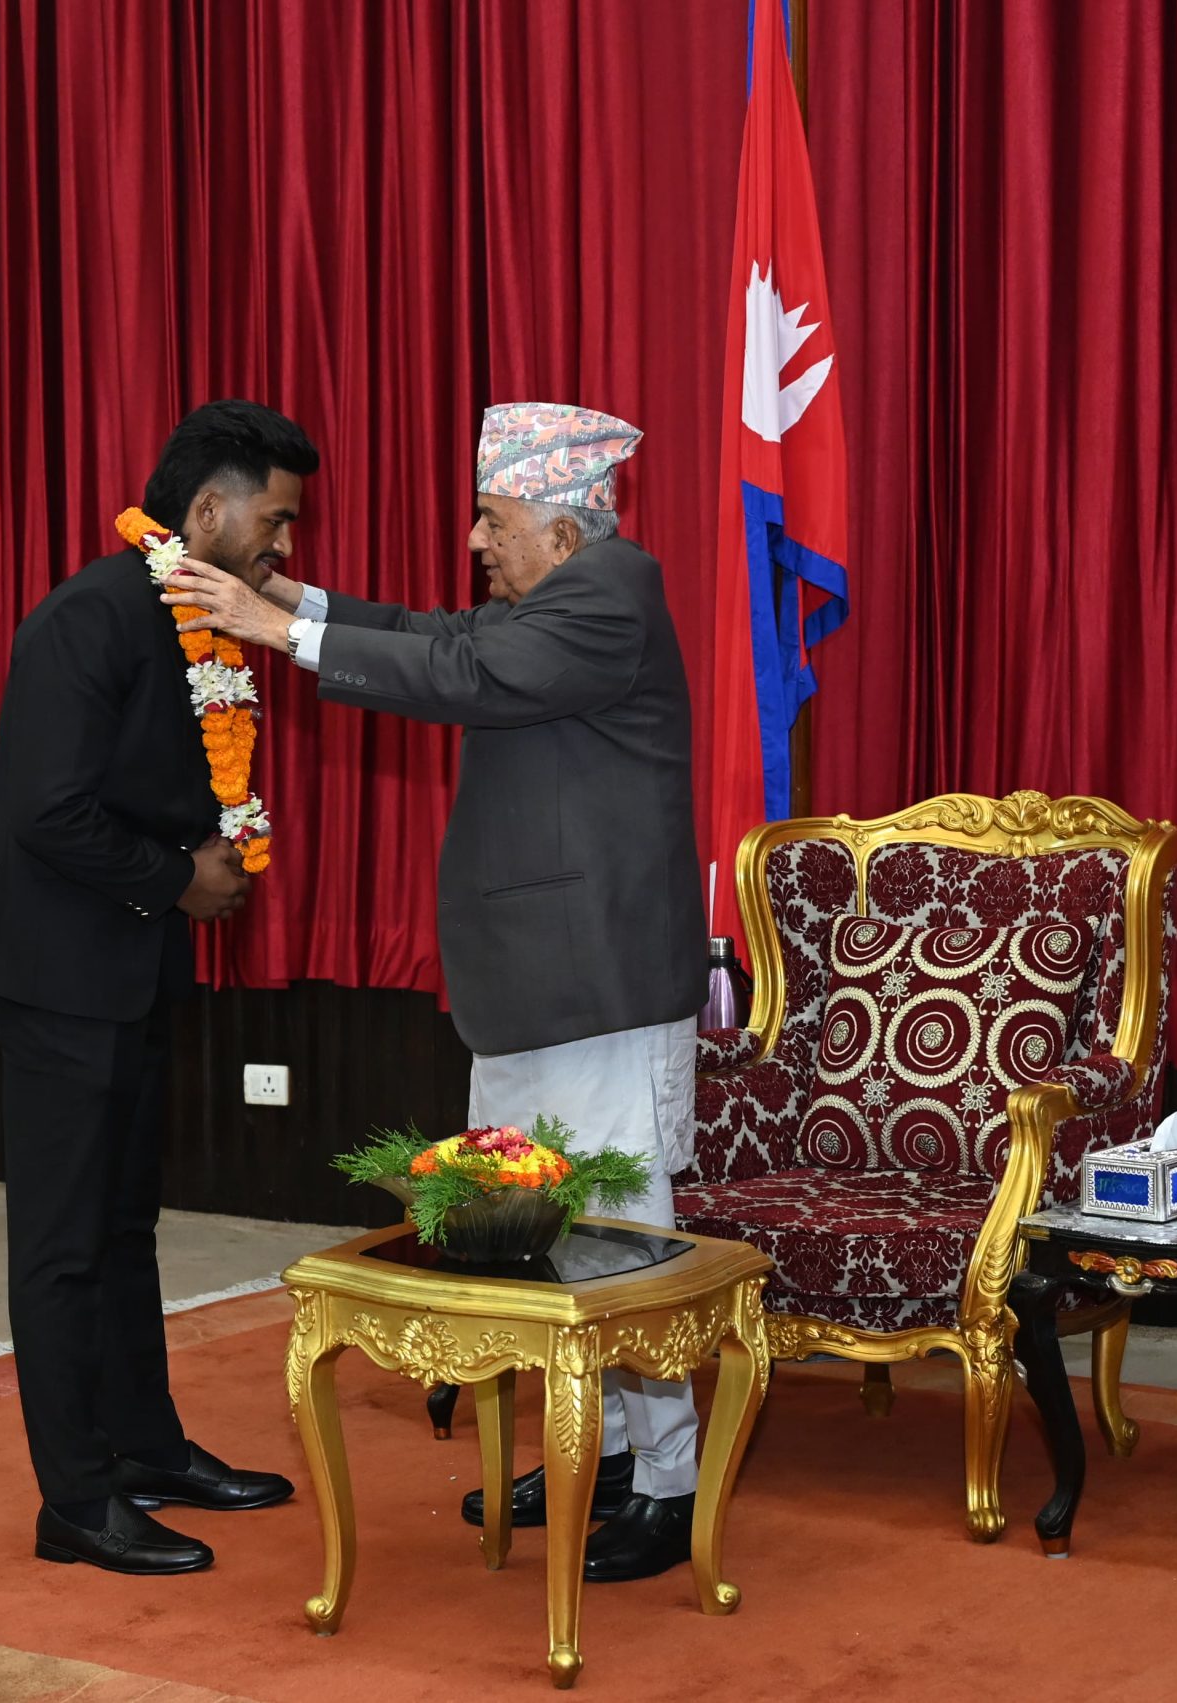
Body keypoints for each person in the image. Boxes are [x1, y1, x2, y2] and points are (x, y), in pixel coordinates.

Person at [162, 402, 710, 1582]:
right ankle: (604, 1450)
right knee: (536, 1221)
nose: (473, 540)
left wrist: (272, 628)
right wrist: (287, 601)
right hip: (535, 977)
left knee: (621, 1235)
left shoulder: (609, 593)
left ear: (559, 532)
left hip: (598, 981)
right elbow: (434, 631)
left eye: (492, 519)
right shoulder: (560, 592)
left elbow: (463, 668)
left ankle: (667, 1482)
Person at [0, 400, 310, 1576]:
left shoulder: (196, 614)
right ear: (206, 512)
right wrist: (179, 876)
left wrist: (197, 866)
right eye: (275, 519)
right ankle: (76, 1498)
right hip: (57, 964)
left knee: (123, 1222)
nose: (284, 545)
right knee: (62, 1240)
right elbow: (46, 809)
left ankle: (145, 1447)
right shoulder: (89, 617)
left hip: (134, 957)